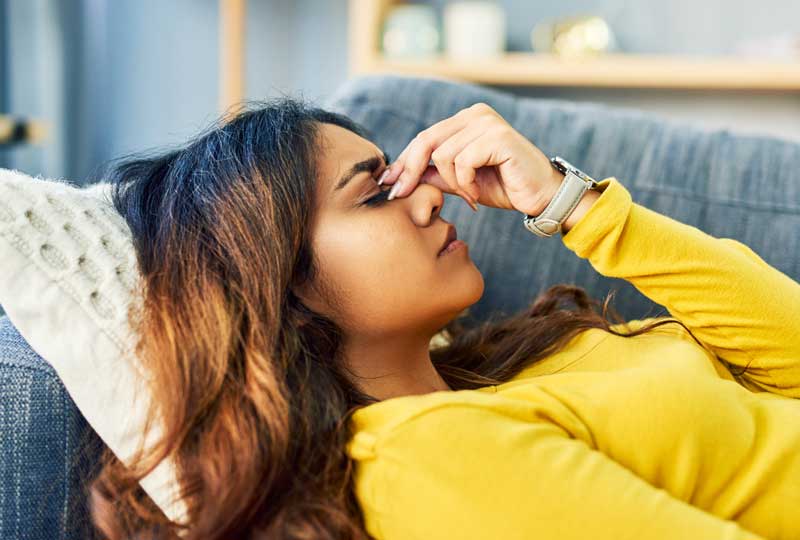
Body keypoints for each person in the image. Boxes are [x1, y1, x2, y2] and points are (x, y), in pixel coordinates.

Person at [89, 98, 799, 539]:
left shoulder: (514, 363)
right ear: (282, 285)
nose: (430, 197)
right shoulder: (420, 460)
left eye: (402, 176)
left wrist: (568, 202)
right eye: (374, 196)